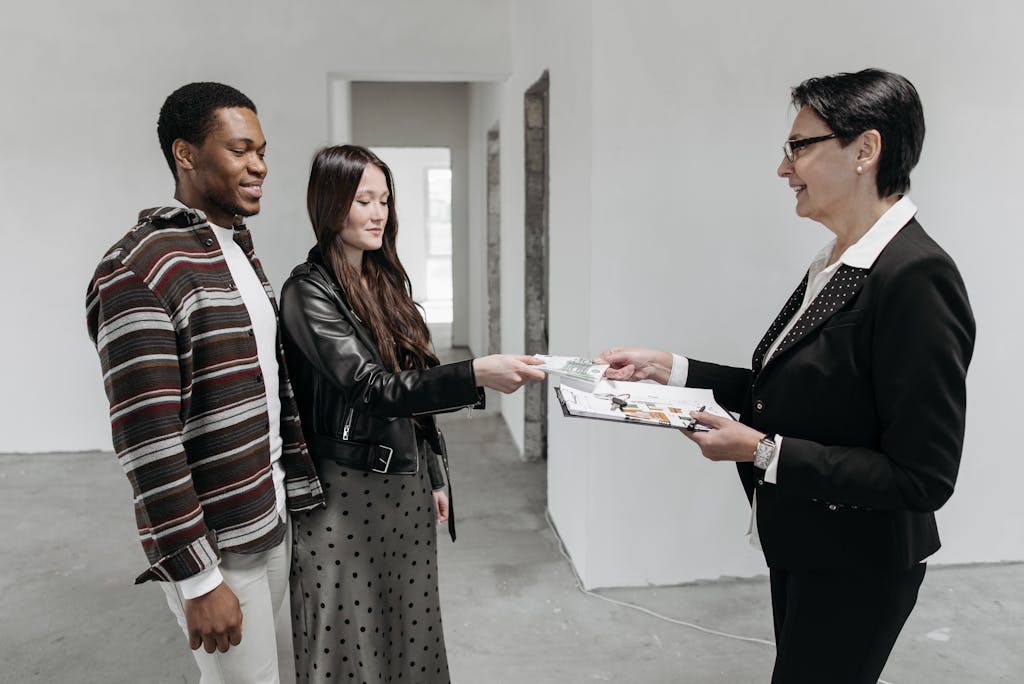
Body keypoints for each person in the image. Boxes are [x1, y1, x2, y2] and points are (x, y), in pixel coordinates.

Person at [599, 69, 975, 684]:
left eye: (799, 147)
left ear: (865, 150)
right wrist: (673, 369)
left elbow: (923, 477)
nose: (784, 167)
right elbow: (792, 391)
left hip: (861, 563)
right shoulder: (838, 261)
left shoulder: (915, 277)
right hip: (808, 544)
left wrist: (761, 451)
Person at [86, 82, 325, 684]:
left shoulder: (235, 249)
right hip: (218, 548)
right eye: (241, 150)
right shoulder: (138, 268)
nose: (260, 166)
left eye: (263, 150)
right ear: (186, 154)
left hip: (268, 517)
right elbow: (148, 443)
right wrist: (198, 578)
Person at [279, 144, 545, 683]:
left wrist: (435, 471)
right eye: (363, 201)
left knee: (410, 631)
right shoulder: (306, 294)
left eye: (384, 200)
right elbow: (373, 389)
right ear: (330, 204)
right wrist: (474, 375)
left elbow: (412, 383)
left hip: (405, 487)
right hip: (344, 495)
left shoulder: (383, 281)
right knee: (349, 641)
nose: (378, 213)